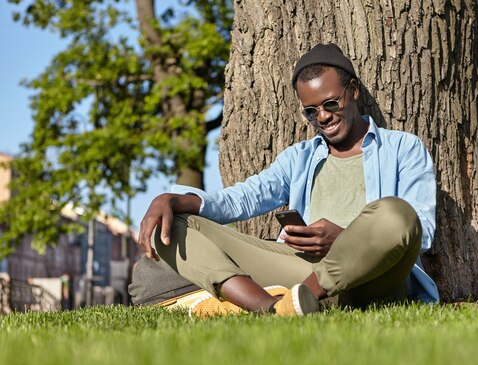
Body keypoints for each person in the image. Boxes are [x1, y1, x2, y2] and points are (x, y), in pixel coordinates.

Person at [135, 43, 439, 317]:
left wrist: (344, 239)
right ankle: (272, 309)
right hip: (303, 269)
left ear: (354, 90)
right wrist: (172, 200)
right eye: (311, 111)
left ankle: (295, 299)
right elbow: (244, 197)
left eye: (331, 104)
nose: (322, 117)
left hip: (373, 279)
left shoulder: (403, 147)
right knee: (172, 226)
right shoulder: (300, 157)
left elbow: (419, 232)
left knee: (396, 213)